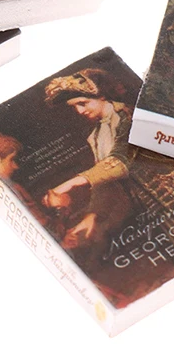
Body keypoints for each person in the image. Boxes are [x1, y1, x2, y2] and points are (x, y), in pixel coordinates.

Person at [42, 69, 133, 250]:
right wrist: (93, 214)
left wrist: (71, 183)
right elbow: (105, 179)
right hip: (142, 201)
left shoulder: (127, 116)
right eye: (74, 107)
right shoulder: (96, 135)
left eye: (83, 103)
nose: (80, 111)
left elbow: (123, 159)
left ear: (102, 96)